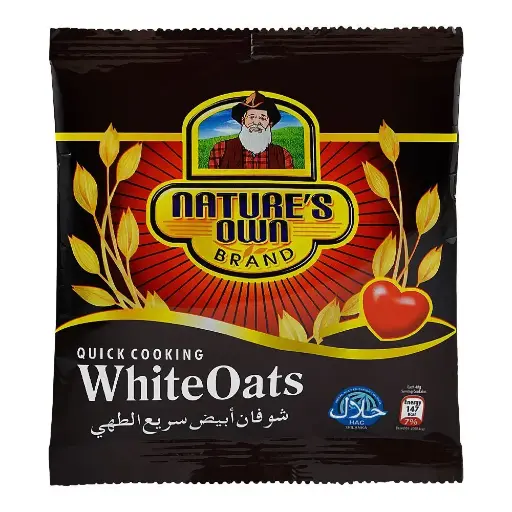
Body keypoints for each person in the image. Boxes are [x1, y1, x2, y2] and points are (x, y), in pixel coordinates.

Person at [209, 91, 294, 169]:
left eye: (262, 118)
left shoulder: (283, 155)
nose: (256, 122)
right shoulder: (221, 150)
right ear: (243, 121)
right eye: (251, 117)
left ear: (270, 124)